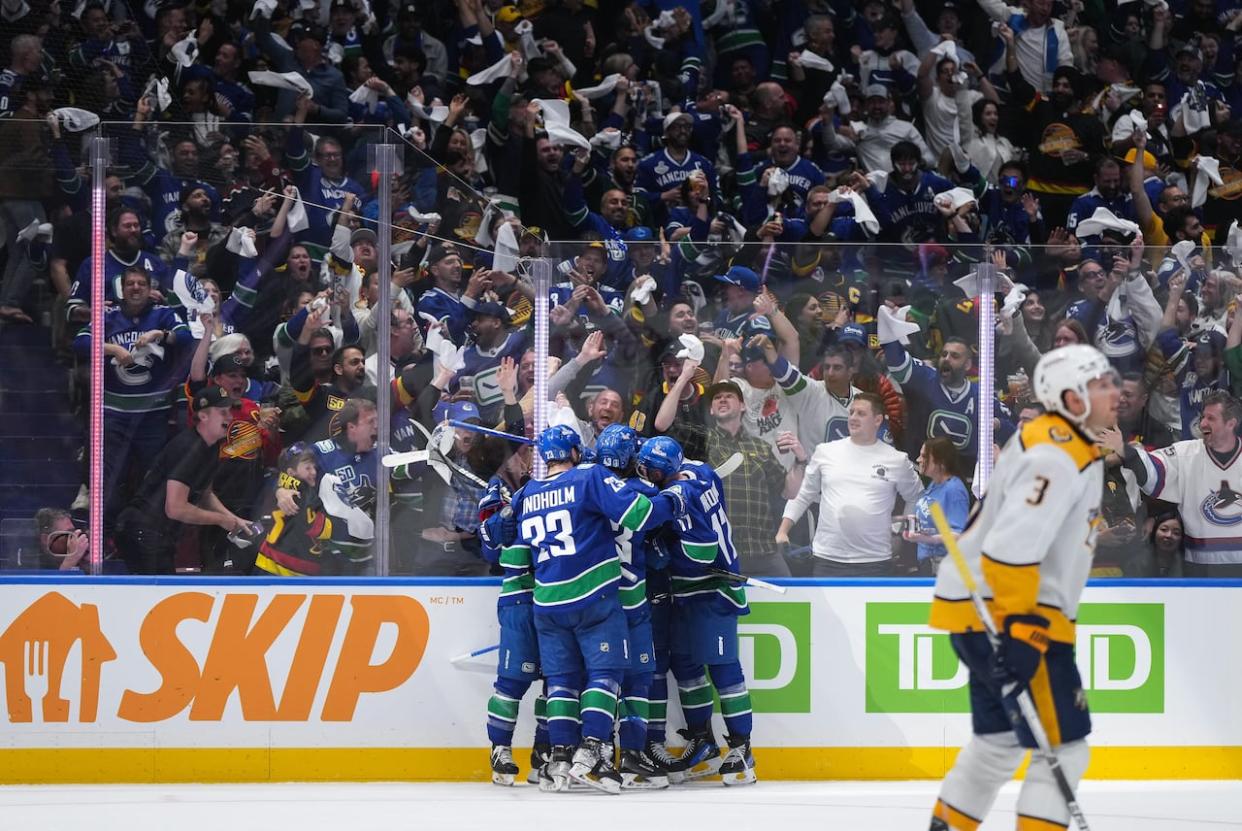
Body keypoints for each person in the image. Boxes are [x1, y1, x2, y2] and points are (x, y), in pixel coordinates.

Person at [928, 344, 1119, 831]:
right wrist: (1023, 629)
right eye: (1101, 384)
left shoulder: (1059, 441)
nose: (1114, 391)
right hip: (1009, 613)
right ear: (1072, 398)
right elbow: (1013, 544)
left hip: (984, 609)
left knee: (997, 744)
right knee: (1066, 751)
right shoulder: (1058, 454)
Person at [505, 425, 681, 794]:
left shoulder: (531, 492)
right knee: (607, 675)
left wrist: (501, 508)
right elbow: (641, 515)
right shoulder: (593, 477)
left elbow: (503, 541)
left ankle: (558, 760)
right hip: (595, 596)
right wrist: (676, 498)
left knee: (562, 682)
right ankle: (594, 755)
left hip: (546, 601)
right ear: (573, 452)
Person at [638, 435, 757, 786]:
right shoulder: (700, 470)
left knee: (723, 669)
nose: (642, 471)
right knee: (685, 667)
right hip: (685, 595)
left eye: (647, 468)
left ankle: (741, 750)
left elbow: (702, 554)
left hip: (711, 591)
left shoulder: (678, 496)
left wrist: (664, 545)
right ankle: (702, 741)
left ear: (661, 471)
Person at [776, 392, 922, 576]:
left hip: (876, 560)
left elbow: (916, 495)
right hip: (827, 558)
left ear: (877, 420)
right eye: (851, 412)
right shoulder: (826, 452)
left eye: (861, 414)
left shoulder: (896, 459)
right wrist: (783, 531)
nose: (853, 418)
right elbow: (803, 494)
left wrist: (902, 532)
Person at [115, 386, 249, 574]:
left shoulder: (211, 447)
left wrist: (233, 519)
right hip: (143, 529)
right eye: (223, 412)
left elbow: (204, 494)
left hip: (157, 533)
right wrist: (220, 520)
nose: (230, 417)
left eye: (230, 412)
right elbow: (175, 508)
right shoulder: (189, 449)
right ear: (203, 416)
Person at [1116, 390, 1242, 577]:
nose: (1202, 423)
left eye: (1211, 418)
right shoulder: (1186, 454)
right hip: (1200, 567)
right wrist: (1125, 451)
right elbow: (1153, 471)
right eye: (1202, 417)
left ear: (1231, 424)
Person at [904, 437, 970, 575]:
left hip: (942, 567)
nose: (918, 460)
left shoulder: (954, 490)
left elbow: (958, 534)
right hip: (927, 563)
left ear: (940, 462)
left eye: (924, 456)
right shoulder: (934, 484)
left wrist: (928, 539)